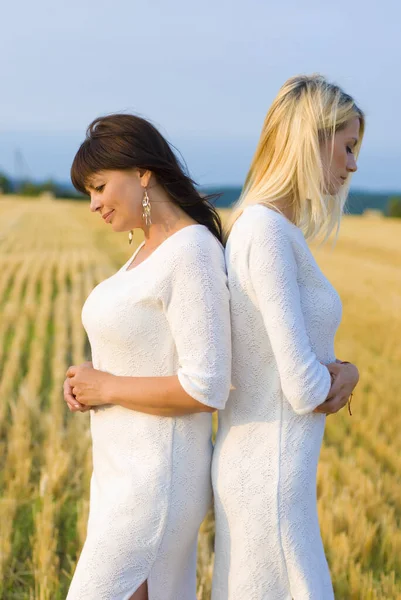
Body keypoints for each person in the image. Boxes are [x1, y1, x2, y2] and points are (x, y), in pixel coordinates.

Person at [63, 114, 231, 600]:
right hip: (119, 473)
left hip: (155, 480)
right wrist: (86, 385)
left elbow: (207, 386)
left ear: (142, 173)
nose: (93, 204)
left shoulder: (191, 251)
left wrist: (108, 387)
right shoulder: (145, 253)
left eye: (98, 187)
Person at [212, 74, 364, 600]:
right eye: (346, 146)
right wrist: (348, 373)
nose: (352, 164)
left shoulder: (268, 229)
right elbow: (302, 387)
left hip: (271, 470)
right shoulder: (266, 233)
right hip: (269, 477)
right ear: (310, 140)